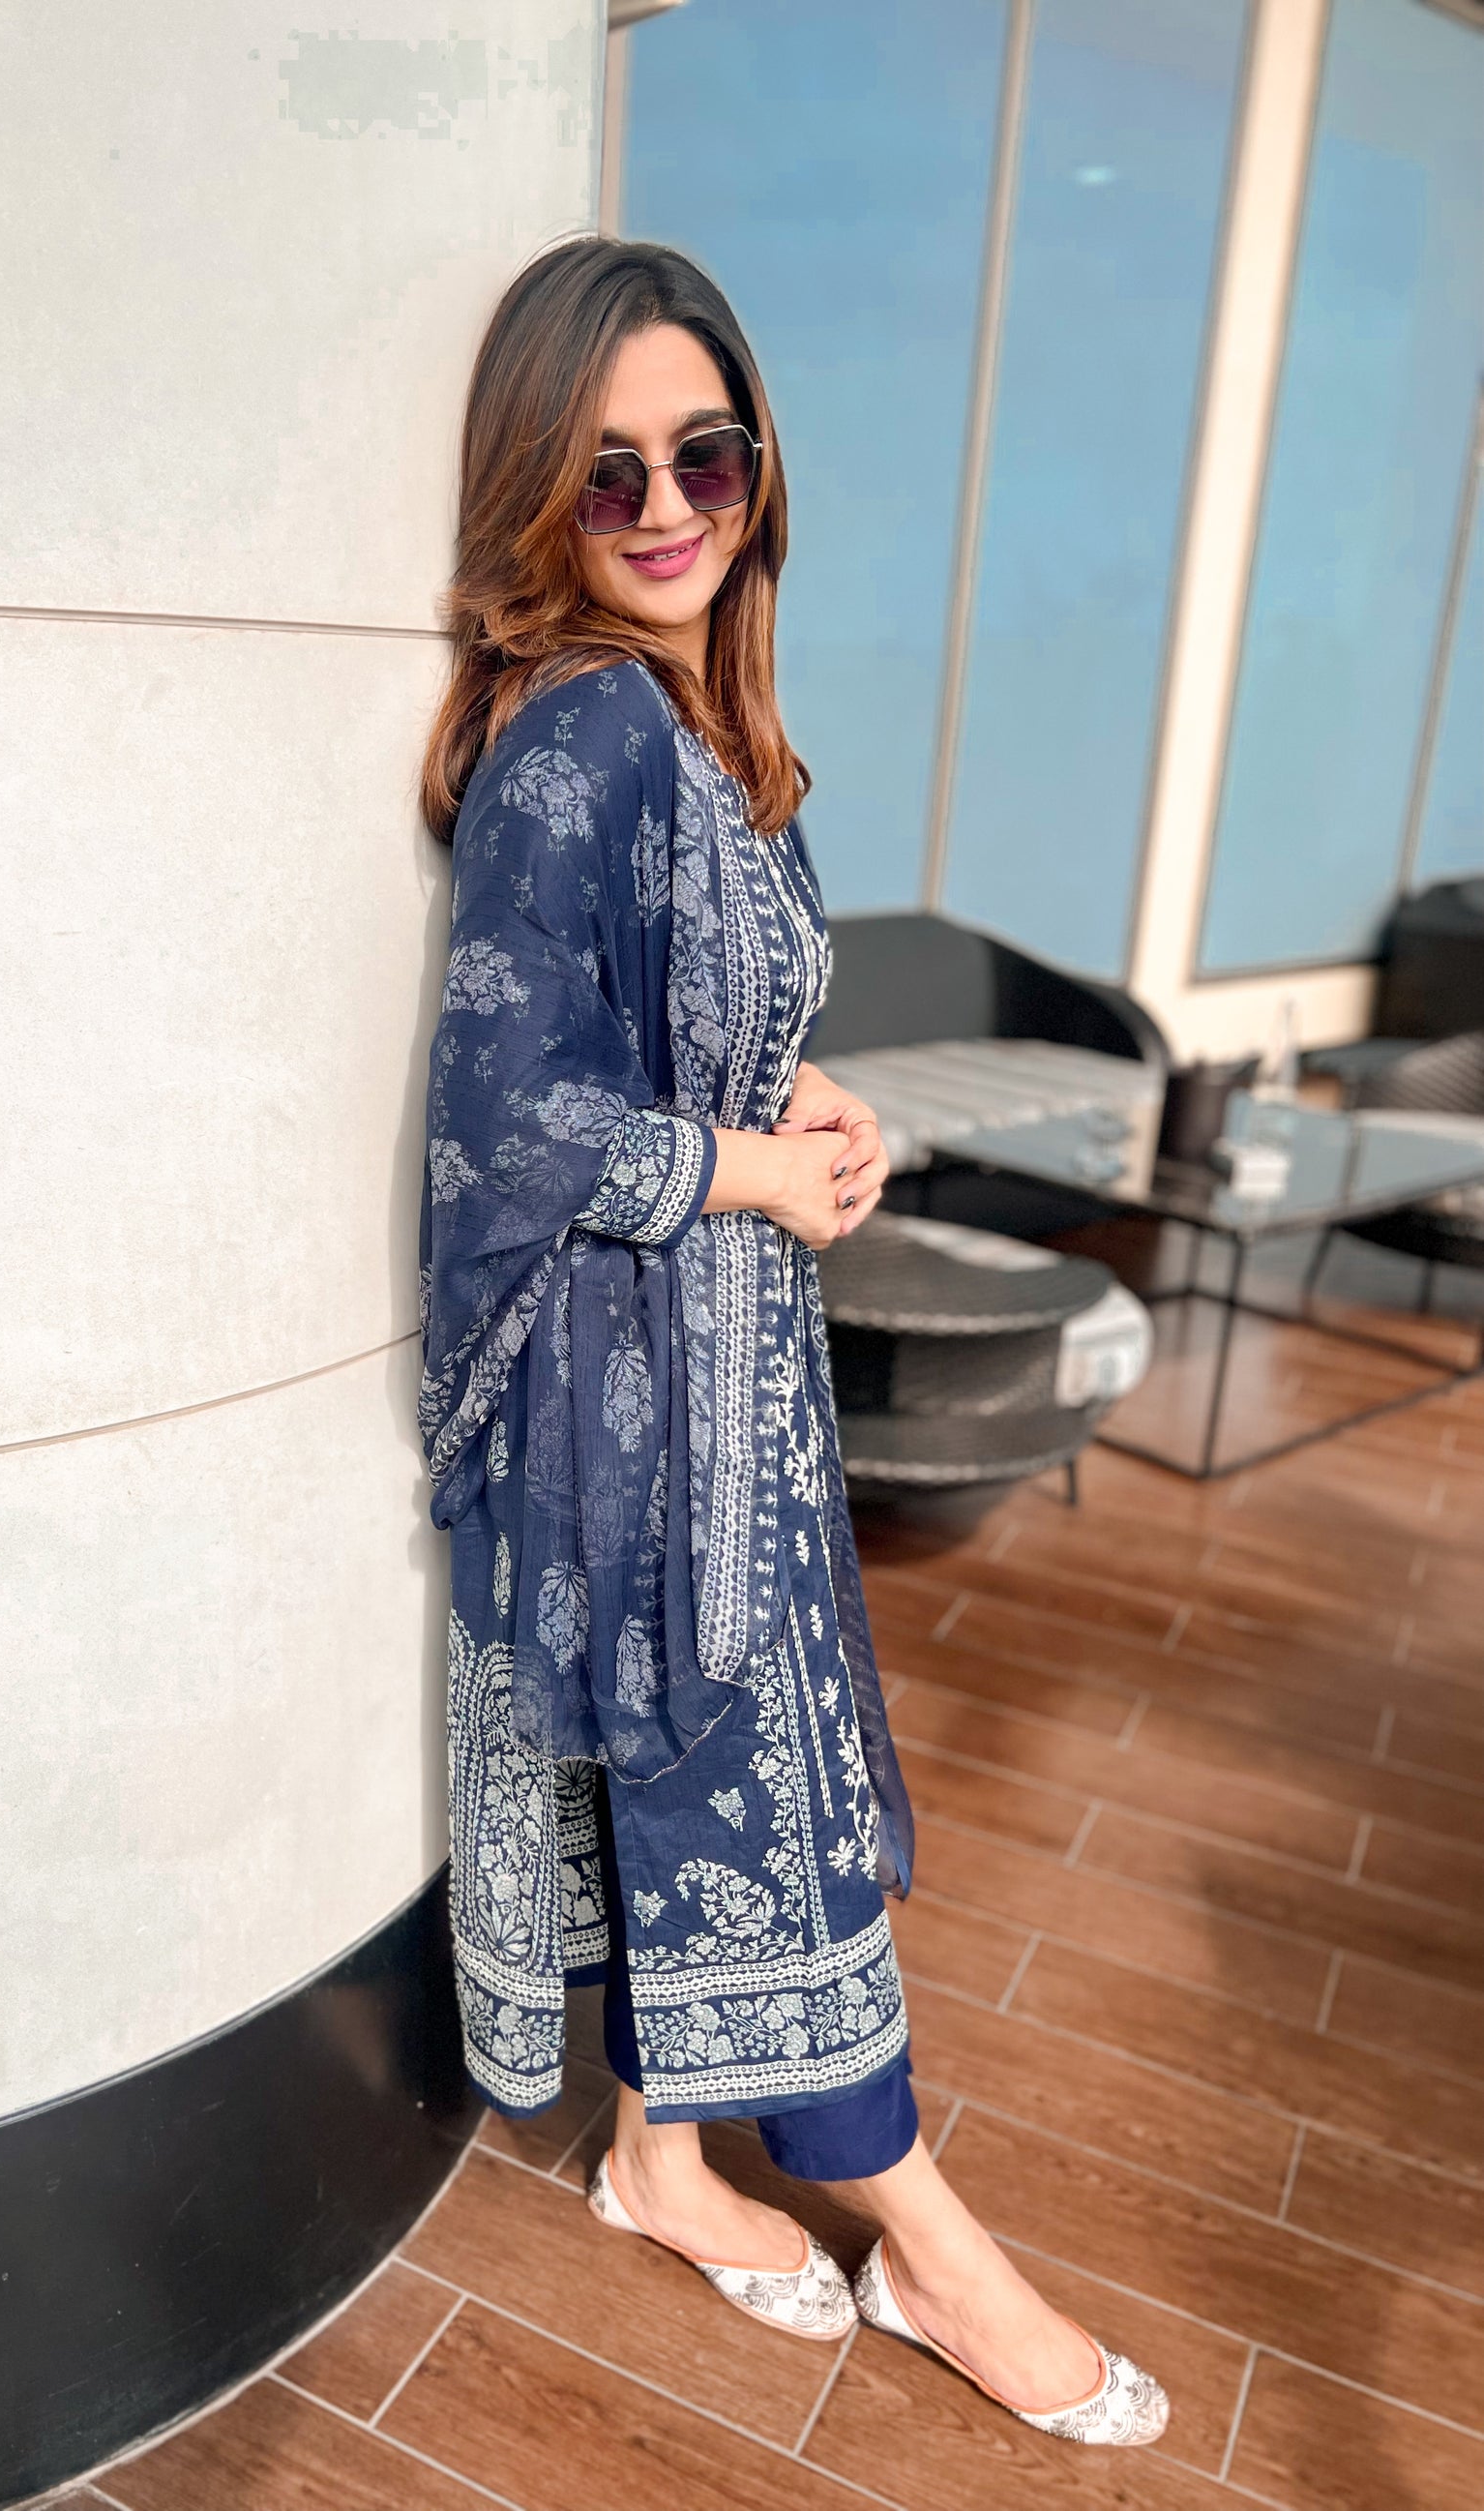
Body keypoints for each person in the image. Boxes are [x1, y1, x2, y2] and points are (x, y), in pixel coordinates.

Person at [416, 236, 1168, 2450]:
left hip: (724, 1361)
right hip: (634, 1397)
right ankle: (928, 2242)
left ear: (759, 472)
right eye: (606, 472)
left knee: (738, 1767)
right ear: (537, 497)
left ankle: (659, 2160)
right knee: (749, 1792)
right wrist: (749, 1169)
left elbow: (702, 1039)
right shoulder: (579, 738)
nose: (664, 506)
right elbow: (508, 1109)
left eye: (707, 456)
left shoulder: (709, 731)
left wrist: (808, 1110)